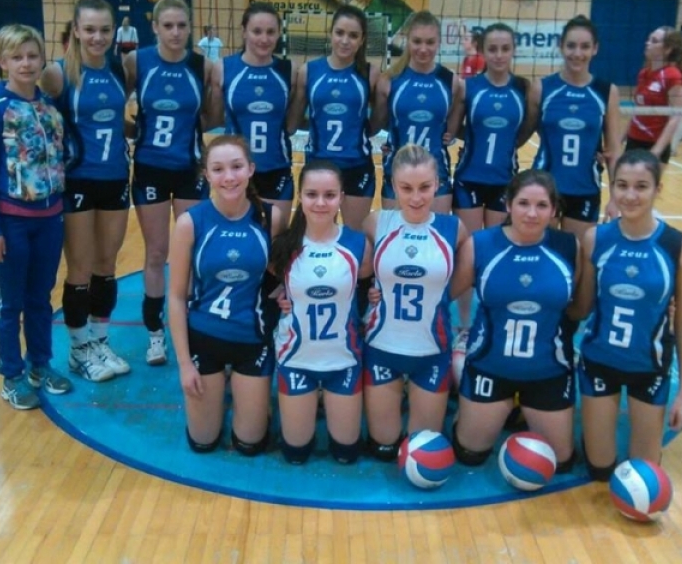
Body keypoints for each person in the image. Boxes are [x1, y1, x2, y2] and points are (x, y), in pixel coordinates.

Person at [571, 148, 682, 480]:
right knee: (600, 469)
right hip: (599, 361)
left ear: (658, 189)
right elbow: (582, 307)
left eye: (641, 186)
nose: (630, 195)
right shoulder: (596, 239)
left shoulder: (678, 246)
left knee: (643, 473)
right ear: (611, 187)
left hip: (649, 367)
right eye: (622, 185)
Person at [449, 170, 579, 471]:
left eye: (542, 205)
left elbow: (578, 309)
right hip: (490, 367)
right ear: (508, 205)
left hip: (548, 371)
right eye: (523, 203)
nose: (532, 213)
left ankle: (519, 410)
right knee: (469, 454)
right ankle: (461, 373)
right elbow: (445, 294)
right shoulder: (480, 245)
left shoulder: (569, 248)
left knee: (560, 462)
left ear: (554, 210)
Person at [0, 24, 71, 410]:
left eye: (32, 56)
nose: (26, 63)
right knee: (8, 302)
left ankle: (40, 364)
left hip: (49, 219)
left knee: (40, 298)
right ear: (3, 62)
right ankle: (11, 375)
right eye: (17, 57)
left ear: (42, 58)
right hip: (9, 223)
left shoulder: (49, 106)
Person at [167, 135, 285, 456]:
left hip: (252, 338)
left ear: (251, 169)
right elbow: (176, 298)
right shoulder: (190, 223)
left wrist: (285, 291)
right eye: (218, 169)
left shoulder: (270, 218)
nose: (229, 177)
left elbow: (280, 276)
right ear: (206, 174)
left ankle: (252, 399)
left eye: (236, 167)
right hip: (204, 338)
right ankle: (222, 393)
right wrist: (184, 365)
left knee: (250, 445)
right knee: (203, 442)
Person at [41, 0, 131, 383]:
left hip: (116, 178)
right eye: (90, 29)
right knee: (79, 267)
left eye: (105, 30)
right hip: (77, 181)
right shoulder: (58, 74)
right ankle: (78, 350)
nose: (98, 37)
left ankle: (99, 341)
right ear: (76, 30)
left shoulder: (119, 69)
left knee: (106, 264)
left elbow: (114, 121)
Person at [362, 144, 468, 460]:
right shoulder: (376, 223)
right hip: (381, 348)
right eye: (406, 188)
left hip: (431, 351)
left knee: (423, 449)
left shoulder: (454, 229)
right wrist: (371, 288)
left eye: (425, 187)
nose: (416, 197)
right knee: (384, 447)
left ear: (437, 184)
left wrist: (438, 297)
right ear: (394, 186)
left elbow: (462, 281)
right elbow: (355, 271)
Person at [126, 0, 211, 367]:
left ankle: (191, 327)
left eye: (181, 25)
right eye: (168, 26)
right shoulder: (137, 61)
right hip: (150, 168)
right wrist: (135, 133)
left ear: (190, 28)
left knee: (190, 253)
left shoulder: (201, 65)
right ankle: (155, 335)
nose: (175, 32)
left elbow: (211, 115)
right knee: (157, 252)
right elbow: (112, 104)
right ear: (155, 28)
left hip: (189, 168)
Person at [270, 160, 373, 465]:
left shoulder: (358, 245)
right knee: (295, 454)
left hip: (343, 360)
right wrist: (283, 293)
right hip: (296, 359)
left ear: (342, 197)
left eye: (329, 195)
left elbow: (367, 289)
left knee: (346, 454)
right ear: (300, 197)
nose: (320, 203)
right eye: (312, 194)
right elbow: (272, 284)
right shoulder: (284, 247)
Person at [452, 22, 529, 334]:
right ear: (482, 51)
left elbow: (526, 130)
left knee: (498, 253)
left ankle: (493, 321)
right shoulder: (468, 87)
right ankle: (465, 324)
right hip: (469, 179)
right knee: (469, 253)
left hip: (504, 182)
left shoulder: (523, 89)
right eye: (492, 49)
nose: (498, 55)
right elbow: (454, 128)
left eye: (505, 49)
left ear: (513, 51)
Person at [528, 15, 623, 239]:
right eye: (571, 45)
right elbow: (524, 131)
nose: (577, 53)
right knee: (543, 253)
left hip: (585, 188)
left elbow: (614, 149)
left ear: (595, 49)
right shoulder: (542, 88)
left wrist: (615, 198)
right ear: (561, 46)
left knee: (580, 254)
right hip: (544, 186)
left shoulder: (606, 92)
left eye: (585, 46)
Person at [288, 5, 381, 231]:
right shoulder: (309, 71)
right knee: (315, 235)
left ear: (362, 40)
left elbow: (378, 123)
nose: (345, 41)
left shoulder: (370, 73)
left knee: (355, 236)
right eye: (340, 33)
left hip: (356, 165)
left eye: (353, 35)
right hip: (318, 165)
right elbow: (293, 122)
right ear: (331, 33)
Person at [208, 2, 295, 223]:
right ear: (244, 31)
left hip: (276, 168)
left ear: (279, 33)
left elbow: (292, 123)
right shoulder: (224, 68)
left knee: (276, 239)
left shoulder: (289, 71)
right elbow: (215, 117)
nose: (264, 39)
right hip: (235, 171)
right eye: (257, 31)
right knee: (236, 237)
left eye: (270, 32)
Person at [374, 11, 464, 214]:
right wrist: (390, 144)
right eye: (417, 41)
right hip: (397, 172)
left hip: (437, 173)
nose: (423, 49)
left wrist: (451, 135)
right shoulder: (389, 80)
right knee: (394, 232)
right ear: (407, 40)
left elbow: (451, 128)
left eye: (430, 42)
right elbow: (378, 124)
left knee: (437, 232)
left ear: (439, 42)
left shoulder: (451, 82)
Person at [626, 27, 682, 170]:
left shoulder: (672, 75)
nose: (647, 43)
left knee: (645, 184)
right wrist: (620, 139)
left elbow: (676, 116)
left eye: (654, 41)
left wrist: (656, 151)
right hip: (633, 141)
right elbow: (637, 111)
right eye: (649, 39)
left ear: (667, 49)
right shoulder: (643, 73)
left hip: (654, 143)